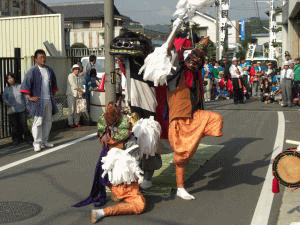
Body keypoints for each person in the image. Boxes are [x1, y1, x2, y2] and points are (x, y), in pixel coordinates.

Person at [72, 102, 161, 223]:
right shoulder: (103, 123)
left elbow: (132, 154)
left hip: (125, 167)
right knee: (139, 205)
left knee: (123, 183)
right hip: (118, 175)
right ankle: (103, 211)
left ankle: (105, 208)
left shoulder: (127, 132)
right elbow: (102, 131)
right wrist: (102, 135)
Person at [167, 37, 223, 200]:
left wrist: (201, 48)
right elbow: (183, 58)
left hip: (192, 116)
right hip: (178, 119)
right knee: (181, 156)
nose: (195, 63)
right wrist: (176, 44)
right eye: (192, 60)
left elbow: (197, 62)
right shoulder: (175, 72)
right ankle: (180, 187)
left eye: (198, 62)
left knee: (215, 119)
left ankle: (192, 141)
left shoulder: (194, 75)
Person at [21, 49, 58, 152]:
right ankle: (37, 143)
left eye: (44, 57)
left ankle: (44, 141)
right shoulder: (32, 71)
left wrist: (52, 96)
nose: (43, 59)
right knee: (38, 122)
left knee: (48, 121)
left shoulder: (49, 70)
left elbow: (54, 85)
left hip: (48, 100)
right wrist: (29, 97)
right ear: (36, 59)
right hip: (38, 101)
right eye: (41, 57)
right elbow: (26, 85)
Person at [3, 73, 32, 145]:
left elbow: (25, 96)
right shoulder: (6, 89)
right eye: (9, 78)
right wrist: (7, 103)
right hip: (12, 110)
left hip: (21, 109)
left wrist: (27, 106)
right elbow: (4, 98)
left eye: (11, 78)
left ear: (14, 78)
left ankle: (28, 138)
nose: (10, 79)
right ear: (7, 80)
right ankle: (17, 139)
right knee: (14, 125)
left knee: (24, 124)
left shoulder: (20, 86)